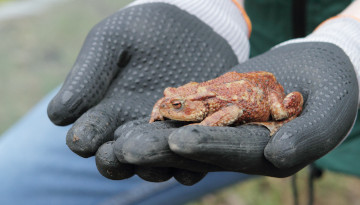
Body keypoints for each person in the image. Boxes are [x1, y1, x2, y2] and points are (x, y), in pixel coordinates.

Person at [1, 0, 360, 204]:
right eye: (173, 104)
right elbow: (177, 101)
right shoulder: (189, 99)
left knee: (281, 112)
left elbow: (233, 109)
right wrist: (205, 6)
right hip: (242, 46)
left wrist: (351, 37)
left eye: (177, 107)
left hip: (321, 74)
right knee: (10, 185)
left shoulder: (209, 110)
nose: (170, 106)